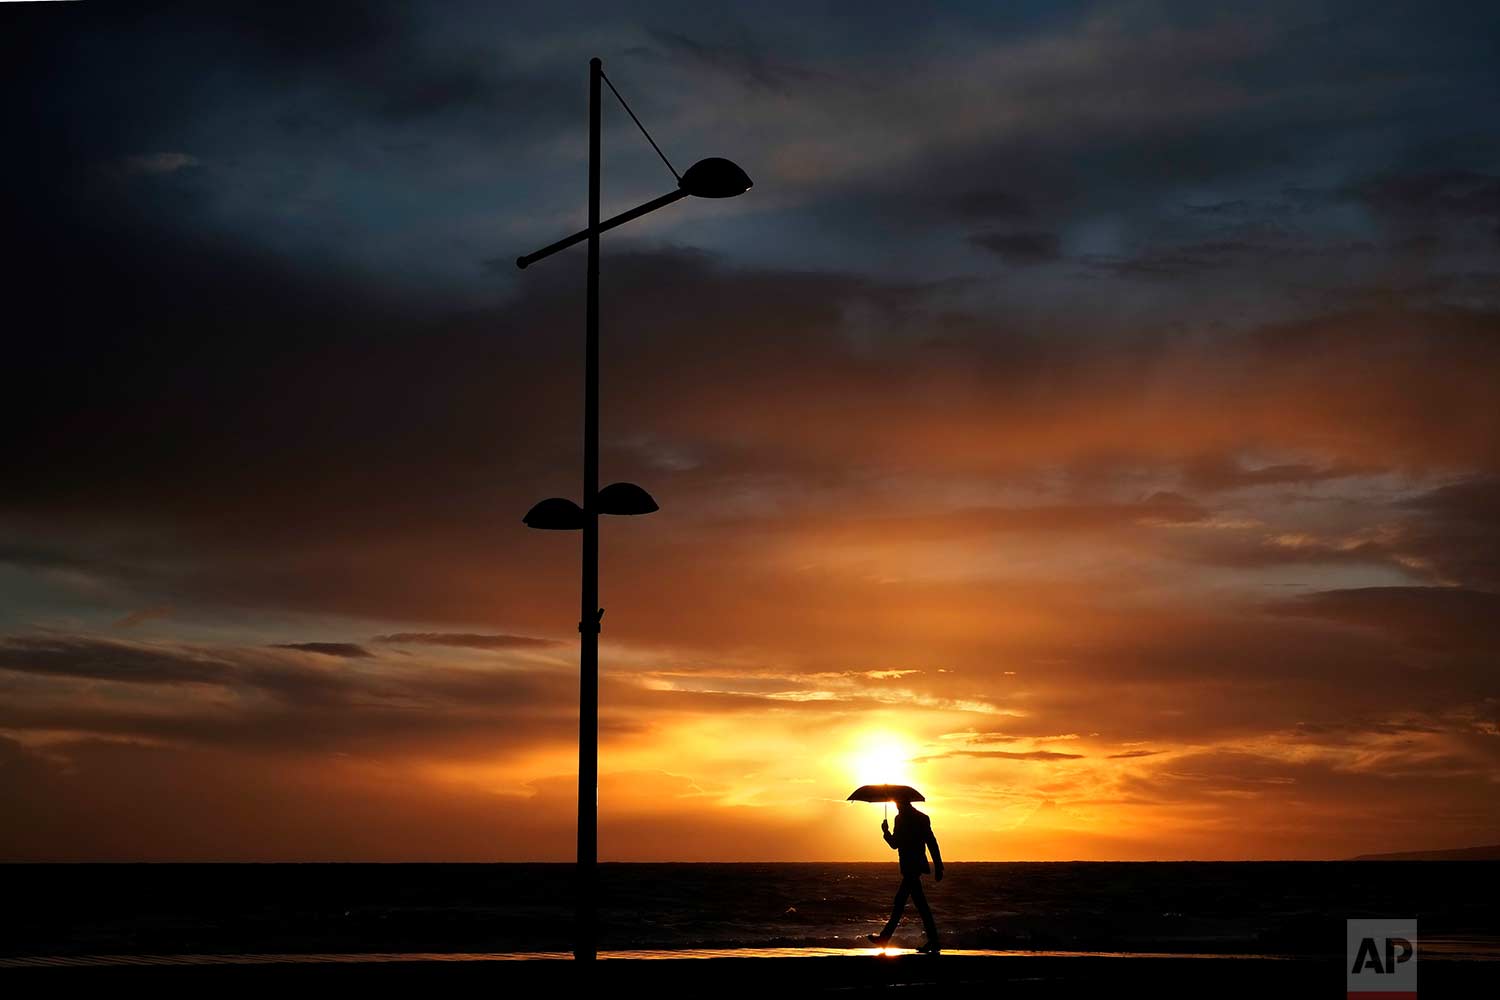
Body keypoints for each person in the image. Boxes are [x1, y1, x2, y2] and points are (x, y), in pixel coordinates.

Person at [866, 797, 943, 952]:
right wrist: (886, 832)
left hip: (913, 868)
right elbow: (897, 844)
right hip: (909, 868)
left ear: (903, 803)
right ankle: (933, 941)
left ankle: (884, 938)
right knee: (919, 906)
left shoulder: (918, 819)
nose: (897, 808)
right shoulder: (903, 819)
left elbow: (930, 842)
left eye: (898, 805)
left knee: (900, 902)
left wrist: (939, 865)